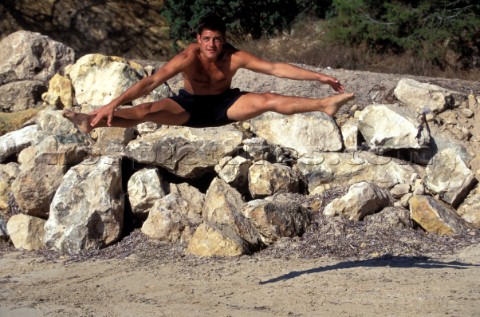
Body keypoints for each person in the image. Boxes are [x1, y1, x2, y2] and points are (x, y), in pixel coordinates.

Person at [63, 14, 354, 132]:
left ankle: (324, 106)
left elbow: (276, 68)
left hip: (225, 104)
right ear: (198, 39)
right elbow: (152, 81)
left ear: (223, 39)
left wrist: (319, 77)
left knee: (269, 99)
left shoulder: (235, 57)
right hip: (187, 107)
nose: (212, 44)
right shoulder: (187, 57)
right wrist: (113, 103)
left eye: (217, 38)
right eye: (207, 39)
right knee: (147, 110)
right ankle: (92, 122)